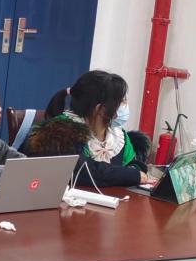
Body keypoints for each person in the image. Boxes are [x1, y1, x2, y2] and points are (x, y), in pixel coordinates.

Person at [20, 70, 153, 187]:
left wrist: (134, 171)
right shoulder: (59, 132)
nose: (125, 106)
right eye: (122, 101)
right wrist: (131, 175)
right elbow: (83, 171)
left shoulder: (118, 136)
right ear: (100, 109)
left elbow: (135, 164)